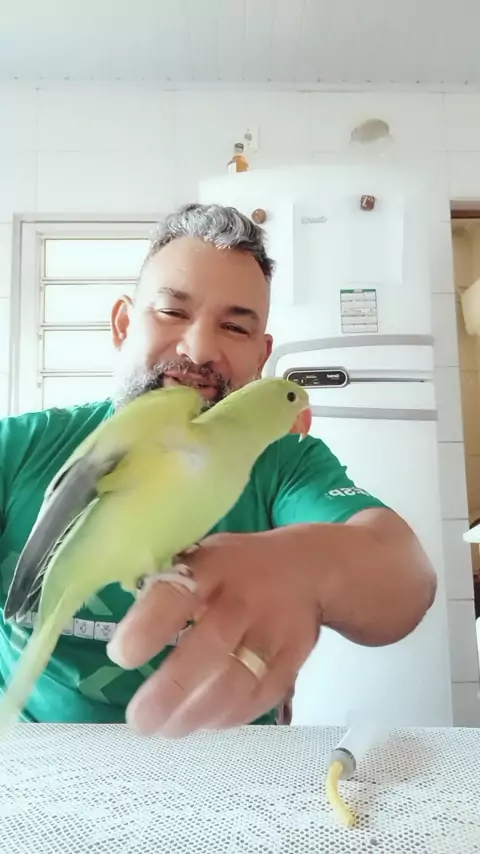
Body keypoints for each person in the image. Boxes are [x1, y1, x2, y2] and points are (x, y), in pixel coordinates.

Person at [0, 203, 437, 738]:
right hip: (33, 766)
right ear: (123, 325)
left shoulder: (285, 463)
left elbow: (407, 579)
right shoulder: (21, 446)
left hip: (232, 770)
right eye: (172, 311)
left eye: (234, 326)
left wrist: (310, 564)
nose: (199, 348)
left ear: (262, 356)